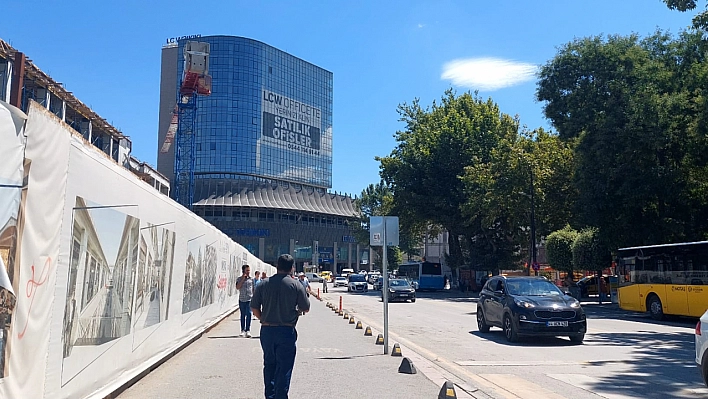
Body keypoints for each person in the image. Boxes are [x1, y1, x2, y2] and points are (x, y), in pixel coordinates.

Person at [251, 254, 310, 399]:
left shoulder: (263, 284)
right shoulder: (296, 285)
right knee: (284, 368)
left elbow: (254, 308)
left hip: (267, 330)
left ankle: (269, 396)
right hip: (286, 330)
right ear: (292, 268)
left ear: (277, 266)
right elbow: (306, 307)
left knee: (269, 364)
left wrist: (263, 318)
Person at [235, 264, 254, 338]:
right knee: (243, 314)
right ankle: (242, 330)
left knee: (249, 314)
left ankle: (248, 330)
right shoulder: (239, 279)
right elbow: (237, 287)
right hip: (242, 299)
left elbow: (253, 289)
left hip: (249, 299)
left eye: (249, 270)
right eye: (247, 270)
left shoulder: (251, 279)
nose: (248, 272)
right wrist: (243, 279)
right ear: (243, 271)